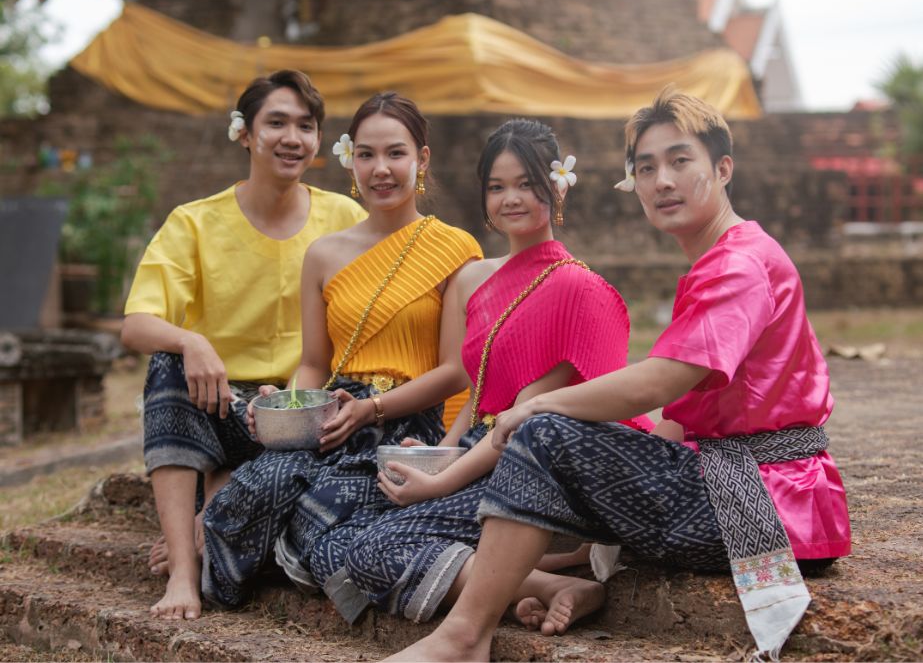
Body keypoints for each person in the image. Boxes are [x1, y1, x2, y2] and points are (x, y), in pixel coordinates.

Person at [386, 87, 852, 662]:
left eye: (681, 161)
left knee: (545, 431)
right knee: (556, 443)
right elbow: (680, 423)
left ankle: (462, 638)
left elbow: (661, 382)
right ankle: (532, 592)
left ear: (723, 169)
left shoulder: (739, 263)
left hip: (769, 501)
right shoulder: (720, 259)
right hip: (741, 482)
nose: (662, 181)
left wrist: (538, 407)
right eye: (646, 167)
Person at [335, 118, 654, 627]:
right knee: (353, 523)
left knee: (375, 548)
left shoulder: (578, 289)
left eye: (527, 184)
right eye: (497, 187)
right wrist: (441, 454)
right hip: (480, 457)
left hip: (533, 475)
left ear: (557, 186)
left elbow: (522, 418)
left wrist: (441, 485)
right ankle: (540, 583)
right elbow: (480, 393)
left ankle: (539, 576)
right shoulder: (483, 285)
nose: (511, 199)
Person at [200, 92, 482, 610]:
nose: (381, 169)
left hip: (407, 425)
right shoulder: (325, 254)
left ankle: (294, 553)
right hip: (333, 417)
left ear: (421, 159)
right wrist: (285, 409)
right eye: (367, 154)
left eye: (396, 153)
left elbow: (456, 371)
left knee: (318, 512)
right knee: (251, 490)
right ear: (351, 159)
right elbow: (313, 363)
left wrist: (372, 410)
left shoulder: (454, 248)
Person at [120, 70, 367, 621]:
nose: (292, 137)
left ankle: (215, 506)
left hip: (304, 413)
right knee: (168, 361)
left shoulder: (343, 218)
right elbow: (136, 324)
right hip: (223, 403)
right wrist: (191, 340)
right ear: (245, 134)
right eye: (275, 122)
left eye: (306, 125)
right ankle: (184, 573)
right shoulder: (195, 222)